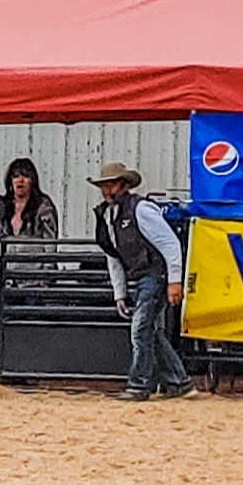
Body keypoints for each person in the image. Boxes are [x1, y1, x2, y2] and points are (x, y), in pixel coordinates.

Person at [90, 162, 195, 401]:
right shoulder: (108, 216)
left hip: (155, 274)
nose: (107, 190)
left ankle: (139, 384)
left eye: (112, 184)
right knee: (148, 331)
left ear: (124, 186)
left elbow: (170, 244)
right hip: (144, 276)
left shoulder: (141, 209)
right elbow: (113, 256)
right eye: (104, 185)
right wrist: (119, 293)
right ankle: (179, 382)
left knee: (140, 330)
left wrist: (174, 281)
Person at [0, 157, 59, 240]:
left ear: (33, 181)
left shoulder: (44, 207)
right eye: (16, 176)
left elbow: (50, 245)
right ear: (10, 181)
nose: (20, 180)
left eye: (26, 176)